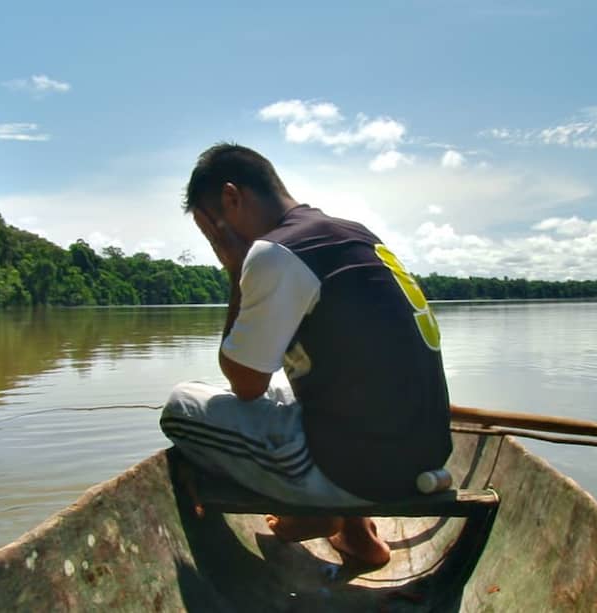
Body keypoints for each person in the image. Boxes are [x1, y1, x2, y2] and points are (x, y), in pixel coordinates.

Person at [160, 143, 452, 566]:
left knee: (179, 405)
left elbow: (244, 384)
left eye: (212, 233)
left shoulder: (275, 252)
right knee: (289, 382)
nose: (216, 246)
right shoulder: (356, 235)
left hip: (361, 472)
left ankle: (321, 508)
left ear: (231, 198)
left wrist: (234, 272)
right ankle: (357, 535)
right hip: (424, 457)